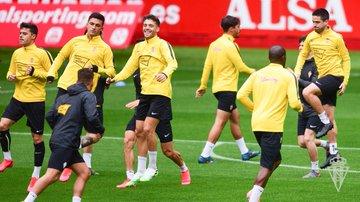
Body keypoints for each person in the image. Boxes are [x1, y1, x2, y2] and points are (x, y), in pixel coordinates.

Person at [108, 14, 191, 186]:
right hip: (145, 95)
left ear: (157, 28)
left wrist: (165, 73)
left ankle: (154, 168)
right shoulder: (138, 47)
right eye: (145, 25)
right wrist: (114, 78)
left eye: (151, 25)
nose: (147, 28)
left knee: (150, 132)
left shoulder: (162, 44)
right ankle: (140, 171)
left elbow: (173, 63)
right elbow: (129, 67)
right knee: (139, 131)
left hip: (160, 94)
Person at [46, 12, 116, 180]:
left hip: (84, 93)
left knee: (87, 129)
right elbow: (60, 57)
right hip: (65, 87)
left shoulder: (105, 48)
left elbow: (112, 71)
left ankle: (72, 161)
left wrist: (98, 69)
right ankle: (66, 159)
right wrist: (51, 73)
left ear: (101, 29)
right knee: (57, 121)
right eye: (91, 23)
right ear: (87, 24)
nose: (93, 27)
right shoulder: (75, 41)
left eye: (97, 25)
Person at [24, 68, 105, 202]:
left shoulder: (63, 96)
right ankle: (28, 200)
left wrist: (59, 129)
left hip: (61, 140)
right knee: (52, 175)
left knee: (84, 172)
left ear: (77, 79)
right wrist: (99, 130)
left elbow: (50, 116)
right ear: (91, 81)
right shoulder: (88, 95)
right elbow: (91, 117)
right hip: (66, 142)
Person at [237, 46, 303, 202]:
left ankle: (253, 192)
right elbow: (294, 103)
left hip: (257, 124)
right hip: (272, 127)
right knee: (267, 164)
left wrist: (255, 108)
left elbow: (241, 95)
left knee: (275, 160)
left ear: (269, 58)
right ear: (283, 57)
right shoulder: (288, 75)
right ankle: (253, 198)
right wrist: (302, 108)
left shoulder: (257, 74)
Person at [195, 15, 259, 164]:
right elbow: (241, 67)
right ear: (232, 29)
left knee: (235, 119)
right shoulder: (230, 45)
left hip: (218, 88)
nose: (240, 29)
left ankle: (245, 152)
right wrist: (256, 72)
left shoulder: (214, 44)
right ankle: (204, 155)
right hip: (228, 89)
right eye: (238, 26)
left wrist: (203, 85)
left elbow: (207, 66)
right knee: (220, 123)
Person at [294, 8, 351, 168]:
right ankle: (333, 153)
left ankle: (323, 121)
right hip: (323, 78)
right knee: (331, 118)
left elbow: (346, 59)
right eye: (313, 21)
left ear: (327, 22)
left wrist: (345, 81)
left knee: (307, 92)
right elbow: (302, 56)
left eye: (317, 22)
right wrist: (297, 73)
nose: (314, 25)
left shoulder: (336, 38)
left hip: (335, 76)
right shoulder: (311, 37)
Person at [0, 22, 53, 192]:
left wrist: (34, 73)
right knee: (2, 126)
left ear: (33, 36)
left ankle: (35, 175)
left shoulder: (42, 54)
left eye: (24, 33)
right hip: (18, 99)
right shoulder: (16, 53)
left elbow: (52, 76)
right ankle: (7, 159)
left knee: (37, 139)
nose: (20, 35)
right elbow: (11, 71)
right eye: (20, 33)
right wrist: (10, 75)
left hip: (35, 101)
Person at [296, 36, 328, 178]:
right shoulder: (300, 64)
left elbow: (312, 86)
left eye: (303, 45)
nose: (300, 47)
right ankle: (328, 145)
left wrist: (297, 79)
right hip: (302, 109)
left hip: (314, 110)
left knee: (308, 139)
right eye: (300, 45)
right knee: (302, 142)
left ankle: (315, 171)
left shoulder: (317, 66)